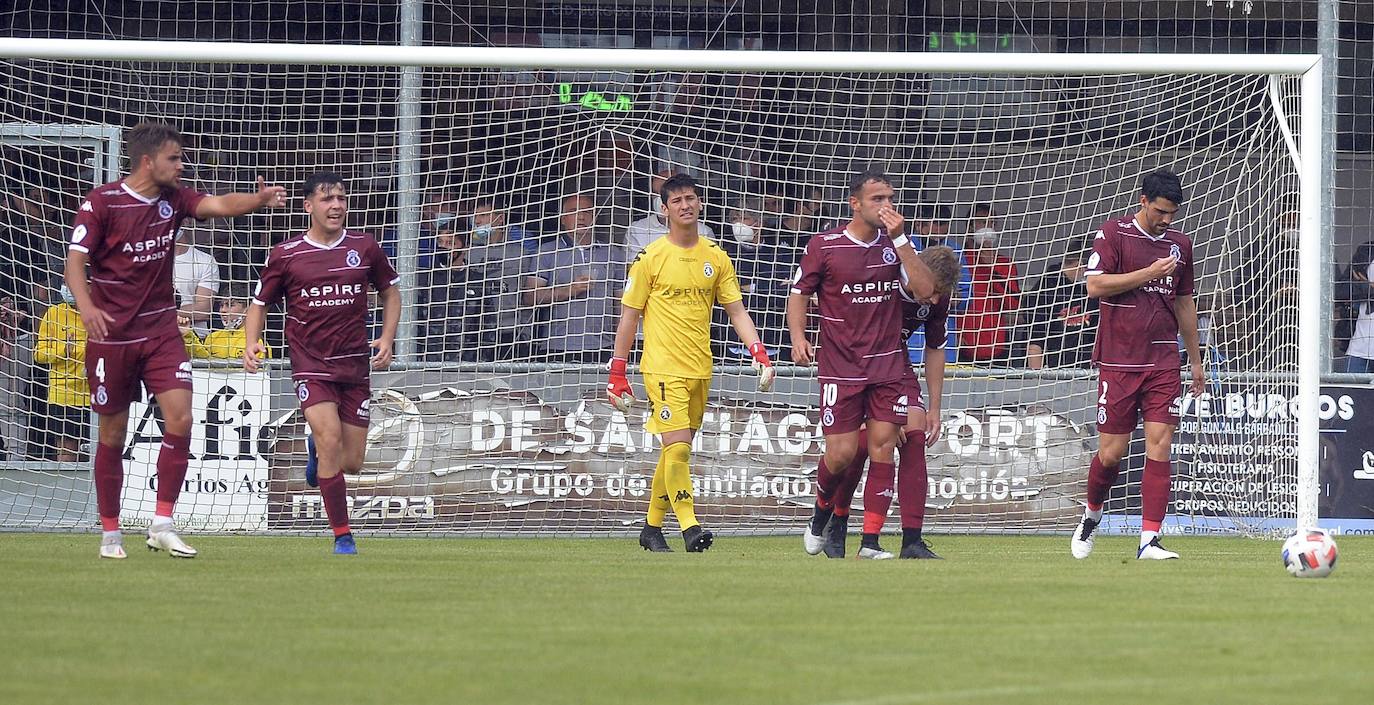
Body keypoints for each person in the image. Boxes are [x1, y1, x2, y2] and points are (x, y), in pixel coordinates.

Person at [64, 121, 286, 559]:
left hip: (163, 329)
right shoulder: (101, 203)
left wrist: (258, 200)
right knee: (112, 434)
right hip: (113, 336)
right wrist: (87, 306)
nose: (181, 166)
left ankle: (162, 521)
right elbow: (75, 263)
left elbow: (220, 204)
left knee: (180, 419)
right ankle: (110, 532)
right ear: (148, 161)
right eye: (174, 158)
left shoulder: (175, 200)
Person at [608, 173, 775, 553]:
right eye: (677, 200)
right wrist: (618, 371)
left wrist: (758, 352)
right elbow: (630, 317)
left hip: (701, 366)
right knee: (680, 448)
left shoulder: (715, 256)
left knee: (673, 452)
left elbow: (736, 310)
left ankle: (651, 529)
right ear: (664, 210)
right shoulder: (650, 258)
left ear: (700, 203)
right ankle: (690, 527)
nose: (685, 205)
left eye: (691, 198)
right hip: (662, 366)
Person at [243, 171, 400, 555]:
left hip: (354, 366)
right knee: (330, 438)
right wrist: (251, 342)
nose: (336, 206)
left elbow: (391, 293)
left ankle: (317, 451)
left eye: (341, 199)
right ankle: (342, 535)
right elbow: (259, 305)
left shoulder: (365, 247)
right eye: (327, 199)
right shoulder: (287, 254)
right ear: (308, 206)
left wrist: (386, 336)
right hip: (310, 363)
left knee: (353, 462)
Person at [788, 169, 937, 559]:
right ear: (855, 203)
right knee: (839, 455)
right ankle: (821, 512)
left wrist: (902, 239)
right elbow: (799, 293)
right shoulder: (826, 245)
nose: (886, 206)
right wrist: (799, 336)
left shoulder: (897, 246)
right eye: (877, 199)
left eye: (889, 198)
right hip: (841, 367)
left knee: (883, 447)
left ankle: (869, 542)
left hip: (887, 368)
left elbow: (925, 292)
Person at [1070, 168, 1203, 561]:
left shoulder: (1181, 245)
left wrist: (1194, 360)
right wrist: (1148, 273)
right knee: (1111, 453)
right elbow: (1094, 285)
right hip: (1119, 360)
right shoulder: (1114, 234)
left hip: (1163, 360)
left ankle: (1149, 540)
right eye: (1161, 211)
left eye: (1172, 214)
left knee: (1160, 445)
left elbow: (1184, 303)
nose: (1166, 220)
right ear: (1143, 201)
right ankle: (1092, 514)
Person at [826, 246, 962, 559]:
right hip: (854, 363)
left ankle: (910, 541)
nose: (936, 299)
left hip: (895, 364)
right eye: (934, 291)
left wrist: (935, 408)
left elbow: (935, 348)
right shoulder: (882, 281)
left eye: (942, 293)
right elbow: (846, 332)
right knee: (862, 443)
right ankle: (839, 518)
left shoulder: (937, 300)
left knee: (915, 435)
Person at [526, 193, 626, 363]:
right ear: (563, 219)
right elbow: (530, 297)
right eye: (574, 211)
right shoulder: (547, 251)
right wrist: (569, 290)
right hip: (556, 346)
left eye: (587, 212)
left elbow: (621, 304)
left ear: (595, 217)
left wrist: (621, 347)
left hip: (604, 347)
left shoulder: (613, 254)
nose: (581, 217)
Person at [462, 198, 539, 361]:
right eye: (475, 216)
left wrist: (525, 332)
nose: (477, 221)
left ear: (501, 218)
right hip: (473, 332)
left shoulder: (521, 254)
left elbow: (528, 294)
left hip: (510, 331)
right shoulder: (467, 253)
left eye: (483, 215)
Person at [33, 284, 90, 463]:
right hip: (63, 396)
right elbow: (39, 354)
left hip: (97, 396)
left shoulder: (104, 313)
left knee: (98, 453)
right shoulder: (54, 314)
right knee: (67, 452)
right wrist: (63, 349)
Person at [1026, 244, 1098, 370]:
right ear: (1079, 265)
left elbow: (1096, 338)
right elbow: (1035, 342)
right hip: (1053, 371)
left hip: (1086, 371)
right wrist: (1035, 380)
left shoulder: (1090, 291)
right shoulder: (1046, 289)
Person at [958, 219, 1020, 364]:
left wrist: (992, 267)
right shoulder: (959, 259)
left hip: (995, 345)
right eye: (982, 222)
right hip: (962, 345)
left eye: (992, 223)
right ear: (970, 227)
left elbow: (1012, 304)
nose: (987, 228)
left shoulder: (1005, 263)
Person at [623, 169, 714, 258]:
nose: (685, 206)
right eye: (655, 193)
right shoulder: (637, 230)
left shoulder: (704, 232)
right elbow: (634, 269)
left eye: (664, 194)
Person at [183, 285, 271, 360]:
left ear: (247, 309)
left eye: (230, 305)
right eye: (221, 305)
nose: (223, 310)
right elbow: (201, 362)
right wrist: (187, 334)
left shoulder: (256, 341)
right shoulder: (212, 338)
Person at [173, 229, 221, 338]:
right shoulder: (148, 259)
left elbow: (204, 309)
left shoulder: (205, 261)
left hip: (194, 336)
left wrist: (161, 314)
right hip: (153, 336)